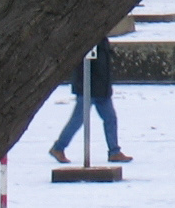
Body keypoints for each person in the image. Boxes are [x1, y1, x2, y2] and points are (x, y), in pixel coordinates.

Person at [48, 36, 132, 164]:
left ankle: (114, 151)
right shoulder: (89, 40)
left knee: (110, 119)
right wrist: (84, 86)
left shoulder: (101, 40)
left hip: (101, 89)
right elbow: (83, 66)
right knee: (78, 120)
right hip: (89, 89)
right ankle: (58, 148)